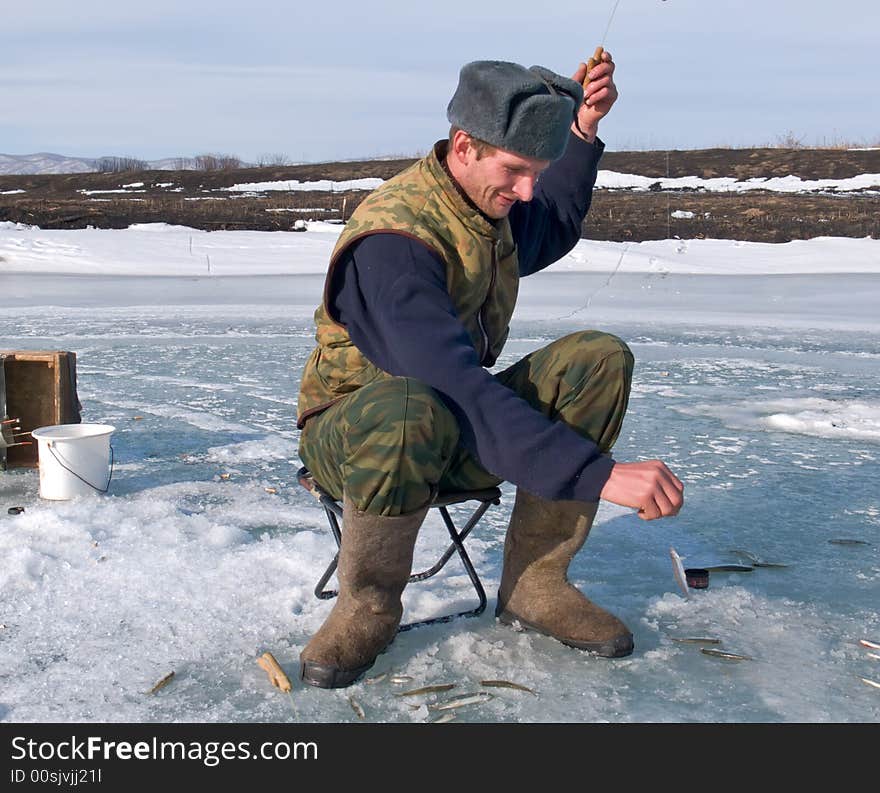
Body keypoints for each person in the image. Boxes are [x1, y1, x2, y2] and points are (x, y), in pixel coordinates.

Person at [295, 52, 684, 689]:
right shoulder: (395, 242)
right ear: (466, 145)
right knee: (407, 407)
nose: (526, 191)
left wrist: (581, 131)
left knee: (596, 360)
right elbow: (452, 384)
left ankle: (537, 586)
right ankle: (366, 603)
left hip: (449, 423)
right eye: (515, 171)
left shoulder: (481, 204)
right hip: (357, 436)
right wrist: (595, 474)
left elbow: (548, 222)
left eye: (538, 171)